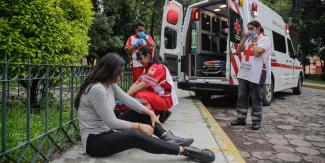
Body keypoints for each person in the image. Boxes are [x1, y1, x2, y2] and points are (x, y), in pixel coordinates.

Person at [75, 53, 215, 162]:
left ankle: (167, 138)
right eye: (120, 71)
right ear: (110, 71)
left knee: (144, 115)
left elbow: (128, 100)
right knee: (137, 136)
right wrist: (139, 126)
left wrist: (149, 112)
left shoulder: (109, 85)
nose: (122, 75)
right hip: (95, 142)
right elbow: (111, 121)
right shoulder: (97, 89)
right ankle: (183, 151)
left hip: (108, 131)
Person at [230, 20, 272, 130]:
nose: (250, 31)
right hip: (245, 72)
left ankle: (256, 121)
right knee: (242, 96)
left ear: (258, 29)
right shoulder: (248, 39)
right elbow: (238, 51)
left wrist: (254, 41)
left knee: (256, 98)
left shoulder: (265, 40)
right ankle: (241, 118)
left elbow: (258, 52)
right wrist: (245, 37)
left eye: (252, 28)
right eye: (248, 28)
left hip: (257, 73)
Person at [127, 46, 176, 123]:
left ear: (148, 56)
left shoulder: (156, 68)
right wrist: (126, 95)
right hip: (161, 97)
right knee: (135, 94)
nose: (139, 61)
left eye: (140, 58)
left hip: (166, 99)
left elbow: (141, 85)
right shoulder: (147, 68)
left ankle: (151, 116)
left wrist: (126, 97)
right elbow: (137, 82)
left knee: (139, 95)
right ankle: (160, 112)